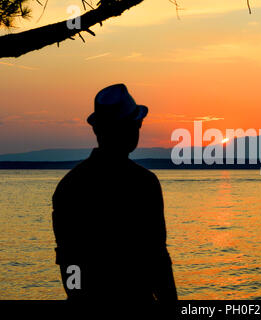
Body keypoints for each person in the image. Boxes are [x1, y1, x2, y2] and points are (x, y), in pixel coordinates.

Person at [52, 84, 177, 302]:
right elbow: (158, 260)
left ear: (96, 130)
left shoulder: (69, 186)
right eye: (137, 125)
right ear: (129, 129)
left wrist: (78, 297)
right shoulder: (143, 184)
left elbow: (69, 262)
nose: (138, 129)